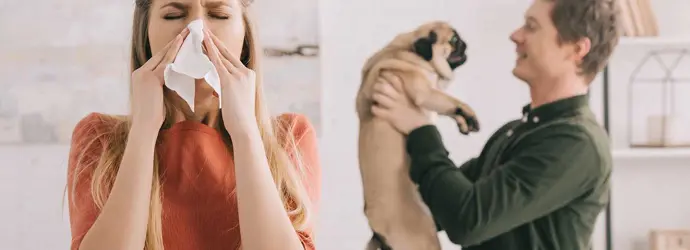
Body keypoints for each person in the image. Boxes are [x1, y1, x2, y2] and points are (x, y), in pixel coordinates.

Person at [65, 0, 321, 250]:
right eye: (173, 15)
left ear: (245, 35)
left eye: (219, 14)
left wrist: (245, 132)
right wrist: (144, 129)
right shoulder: (100, 138)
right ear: (145, 33)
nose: (196, 30)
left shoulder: (290, 138)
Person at [370, 0, 618, 249]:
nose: (515, 35)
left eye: (531, 27)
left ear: (577, 49)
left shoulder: (576, 143)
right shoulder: (519, 132)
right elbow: (442, 204)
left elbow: (468, 221)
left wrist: (419, 129)